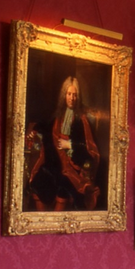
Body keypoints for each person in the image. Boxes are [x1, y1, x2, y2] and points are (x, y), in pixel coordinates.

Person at [26, 77, 101, 211]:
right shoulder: (58, 116)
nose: (72, 98)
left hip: (74, 166)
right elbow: (46, 128)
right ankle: (42, 223)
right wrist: (35, 131)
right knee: (38, 181)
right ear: (64, 96)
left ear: (78, 97)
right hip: (55, 163)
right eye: (69, 94)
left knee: (64, 183)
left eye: (74, 95)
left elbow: (89, 149)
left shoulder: (81, 120)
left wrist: (70, 145)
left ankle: (55, 222)